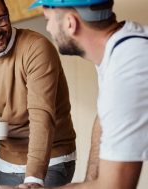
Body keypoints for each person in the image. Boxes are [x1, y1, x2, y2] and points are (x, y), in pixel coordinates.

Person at [28, 0, 148, 188]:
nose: (49, 29)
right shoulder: (121, 46)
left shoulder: (126, 69)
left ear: (70, 23)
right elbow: (104, 119)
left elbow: (115, 186)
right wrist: (90, 182)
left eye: (47, 20)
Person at [0, 0, 76, 187]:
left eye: (0, 19)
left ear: (8, 14)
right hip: (7, 162)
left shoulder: (36, 48)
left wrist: (33, 179)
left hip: (52, 159)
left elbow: (41, 116)